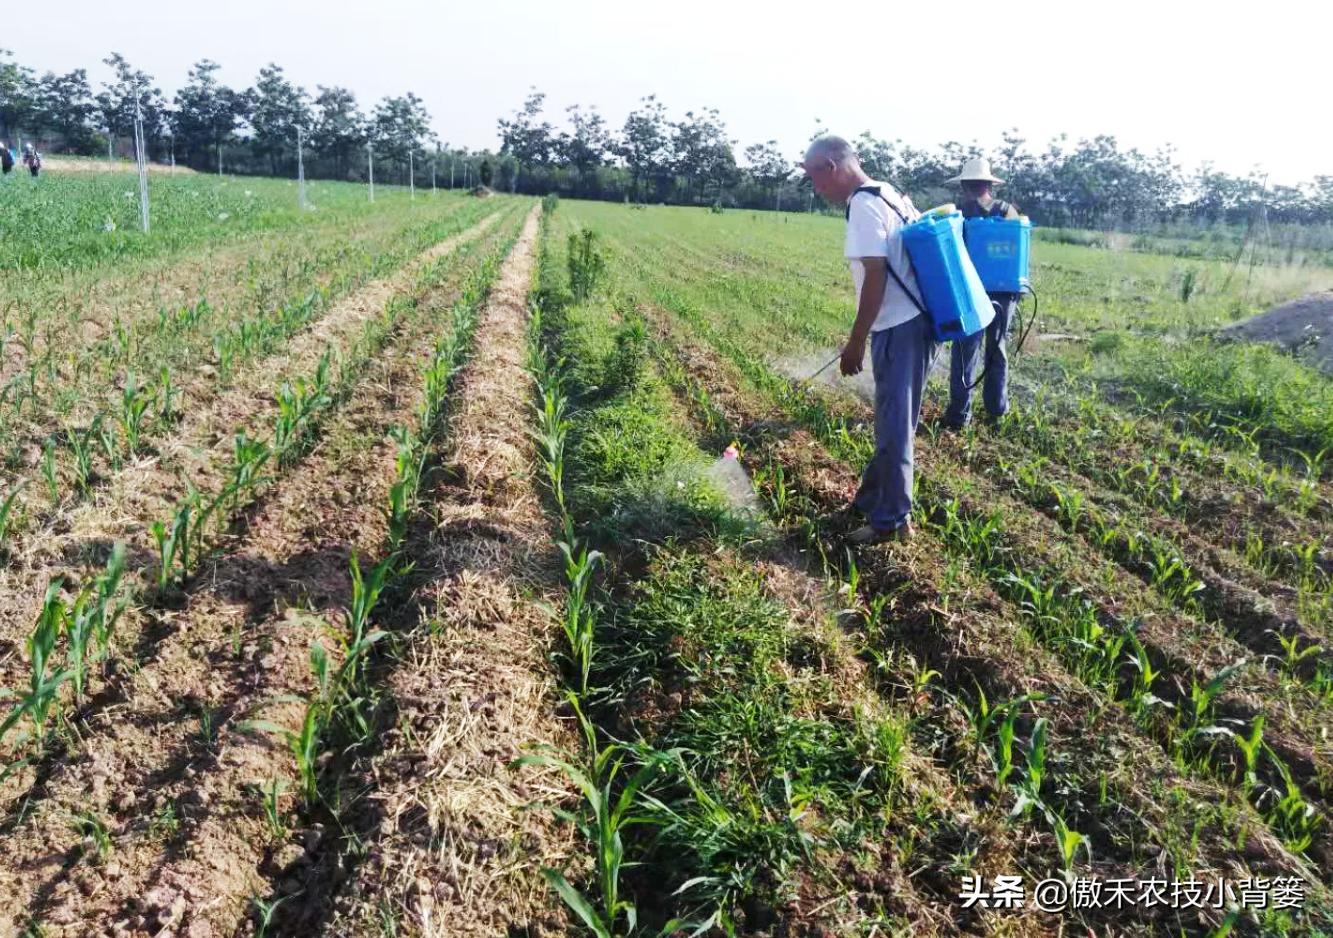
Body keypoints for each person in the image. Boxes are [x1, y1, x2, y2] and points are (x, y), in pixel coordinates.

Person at [800, 135, 937, 545]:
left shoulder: (861, 205)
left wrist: (856, 341)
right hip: (918, 322)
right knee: (894, 417)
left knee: (895, 425)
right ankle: (872, 498)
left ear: (831, 167)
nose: (815, 189)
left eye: (814, 179)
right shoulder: (887, 192)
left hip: (898, 326)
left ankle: (892, 522)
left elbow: (875, 275)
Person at [943, 157, 1021, 429]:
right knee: (997, 349)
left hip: (971, 292)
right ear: (989, 184)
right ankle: (997, 409)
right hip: (1005, 292)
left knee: (965, 351)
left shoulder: (960, 214)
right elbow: (1018, 253)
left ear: (965, 185)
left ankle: (959, 415)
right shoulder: (1008, 211)